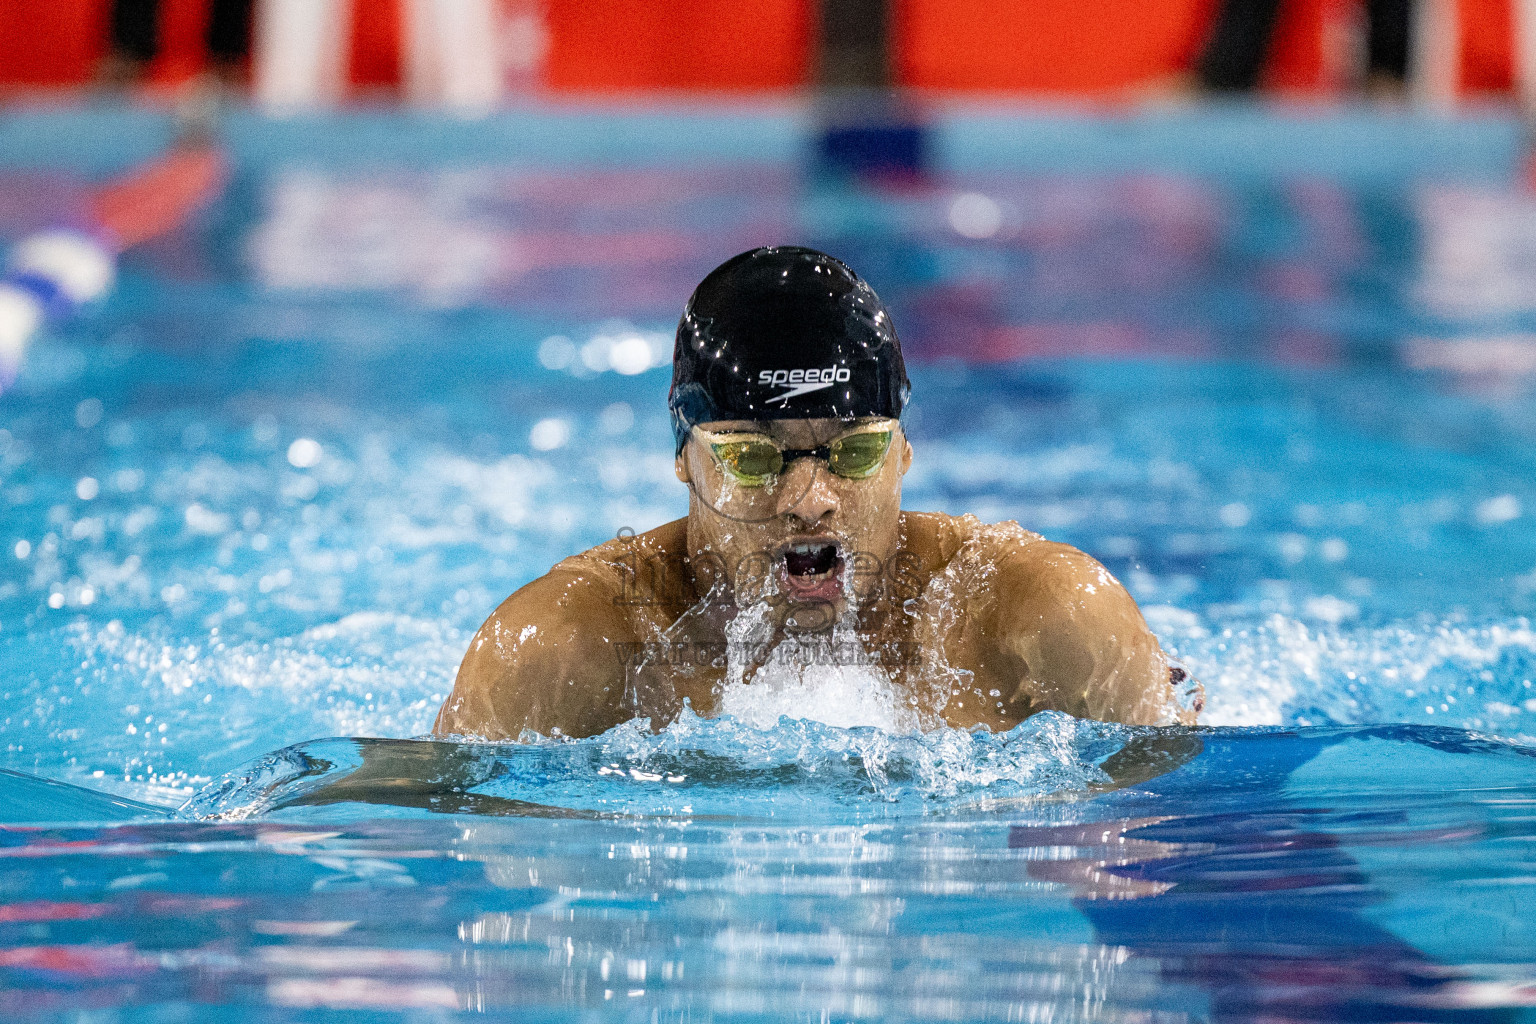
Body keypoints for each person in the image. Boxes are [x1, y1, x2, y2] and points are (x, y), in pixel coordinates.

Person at [434, 247, 1200, 740]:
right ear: (684, 458)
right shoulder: (562, 649)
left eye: (854, 452)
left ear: (902, 450)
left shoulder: (1042, 615)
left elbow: (1192, 817)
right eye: (755, 459)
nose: (810, 498)